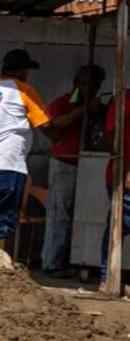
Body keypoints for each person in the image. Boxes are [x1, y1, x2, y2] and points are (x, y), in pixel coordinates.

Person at [0, 49, 57, 248]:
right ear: (22, 71)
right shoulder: (24, 91)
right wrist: (58, 135)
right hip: (7, 166)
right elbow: (46, 125)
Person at [42, 65, 105, 276]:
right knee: (60, 215)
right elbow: (54, 125)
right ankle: (52, 263)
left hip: (88, 167)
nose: (93, 89)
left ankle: (75, 261)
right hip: (64, 163)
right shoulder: (64, 103)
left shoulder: (94, 106)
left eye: (96, 85)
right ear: (79, 84)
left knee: (83, 217)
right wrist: (82, 110)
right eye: (89, 85)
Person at [101, 90, 130, 279]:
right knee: (120, 222)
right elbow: (111, 139)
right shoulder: (123, 101)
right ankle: (107, 275)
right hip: (122, 175)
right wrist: (126, 171)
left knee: (119, 222)